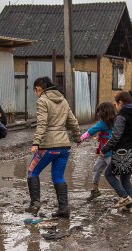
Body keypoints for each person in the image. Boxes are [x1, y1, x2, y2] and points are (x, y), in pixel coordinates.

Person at [25, 76, 81, 218]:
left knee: (32, 172)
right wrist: (77, 137)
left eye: (35, 90)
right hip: (64, 146)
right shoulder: (63, 100)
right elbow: (73, 122)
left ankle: (35, 204)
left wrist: (36, 142)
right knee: (58, 177)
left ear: (38, 88)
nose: (36, 93)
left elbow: (42, 124)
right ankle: (63, 209)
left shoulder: (42, 101)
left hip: (48, 146)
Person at [101, 91, 132, 210]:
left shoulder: (122, 116)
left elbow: (116, 137)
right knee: (125, 177)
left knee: (108, 174)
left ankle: (124, 197)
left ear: (120, 103)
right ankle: (129, 204)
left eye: (116, 104)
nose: (115, 106)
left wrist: (104, 149)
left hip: (123, 151)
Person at [80, 102, 116, 201]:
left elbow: (91, 131)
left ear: (104, 112)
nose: (98, 114)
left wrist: (80, 139)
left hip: (109, 154)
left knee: (116, 173)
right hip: (103, 153)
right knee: (96, 169)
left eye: (99, 112)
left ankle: (131, 189)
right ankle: (95, 191)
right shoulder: (113, 121)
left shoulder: (103, 123)